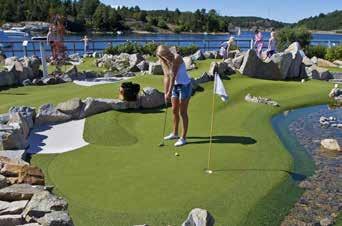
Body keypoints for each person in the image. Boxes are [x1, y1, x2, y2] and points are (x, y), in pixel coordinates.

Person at [156, 45, 192, 147]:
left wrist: (168, 92)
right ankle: (175, 134)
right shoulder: (164, 61)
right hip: (175, 87)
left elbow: (173, 76)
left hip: (184, 86)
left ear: (168, 51)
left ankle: (183, 138)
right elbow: (166, 77)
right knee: (174, 111)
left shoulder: (176, 58)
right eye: (163, 56)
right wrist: (165, 92)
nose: (166, 57)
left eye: (166, 54)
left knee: (182, 112)